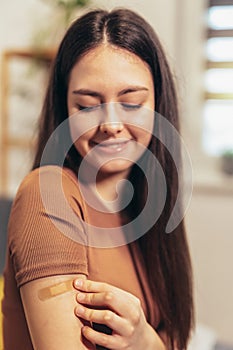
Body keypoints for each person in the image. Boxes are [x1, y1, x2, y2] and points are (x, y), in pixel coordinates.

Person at [2, 8, 194, 350]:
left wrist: (146, 342)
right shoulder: (47, 196)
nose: (110, 124)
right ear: (64, 110)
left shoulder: (149, 211)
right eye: (88, 106)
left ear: (158, 104)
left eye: (132, 103)